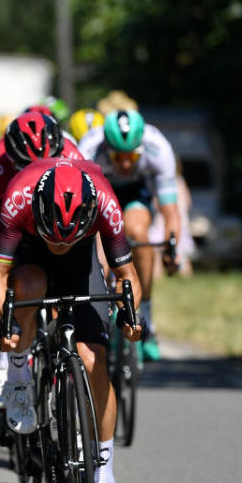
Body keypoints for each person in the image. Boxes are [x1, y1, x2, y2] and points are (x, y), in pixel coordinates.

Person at [0, 158, 143, 483]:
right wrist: (5, 324)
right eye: (53, 235)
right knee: (27, 290)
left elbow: (127, 275)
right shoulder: (19, 197)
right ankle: (20, 378)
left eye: (65, 237)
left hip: (82, 260)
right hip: (29, 255)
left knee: (93, 360)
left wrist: (131, 318)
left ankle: (104, 482)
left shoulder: (104, 201)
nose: (58, 244)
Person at [0, 111, 83, 407]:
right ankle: (2, 362)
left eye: (44, 166)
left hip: (57, 220)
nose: (36, 175)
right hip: (9, 222)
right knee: (15, 289)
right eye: (27, 167)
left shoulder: (74, 155)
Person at [78, 109, 181, 361]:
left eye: (131, 157)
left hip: (136, 193)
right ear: (107, 147)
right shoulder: (89, 147)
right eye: (117, 157)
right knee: (100, 259)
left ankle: (145, 309)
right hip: (100, 191)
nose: (124, 164)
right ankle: (103, 316)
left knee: (138, 231)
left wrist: (172, 249)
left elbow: (171, 212)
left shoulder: (158, 148)